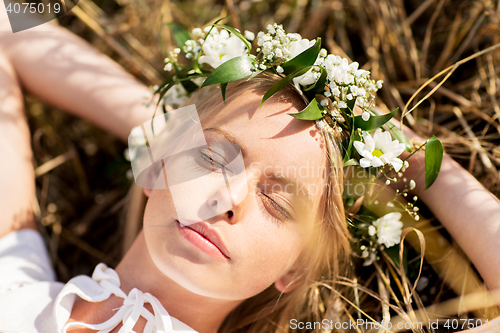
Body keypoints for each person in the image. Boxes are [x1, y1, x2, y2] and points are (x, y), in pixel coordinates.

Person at [1, 7, 500, 333]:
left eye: (280, 200)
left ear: (297, 268)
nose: (228, 197)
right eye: (215, 161)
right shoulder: (12, 280)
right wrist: (175, 127)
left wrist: (413, 159)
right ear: (154, 166)